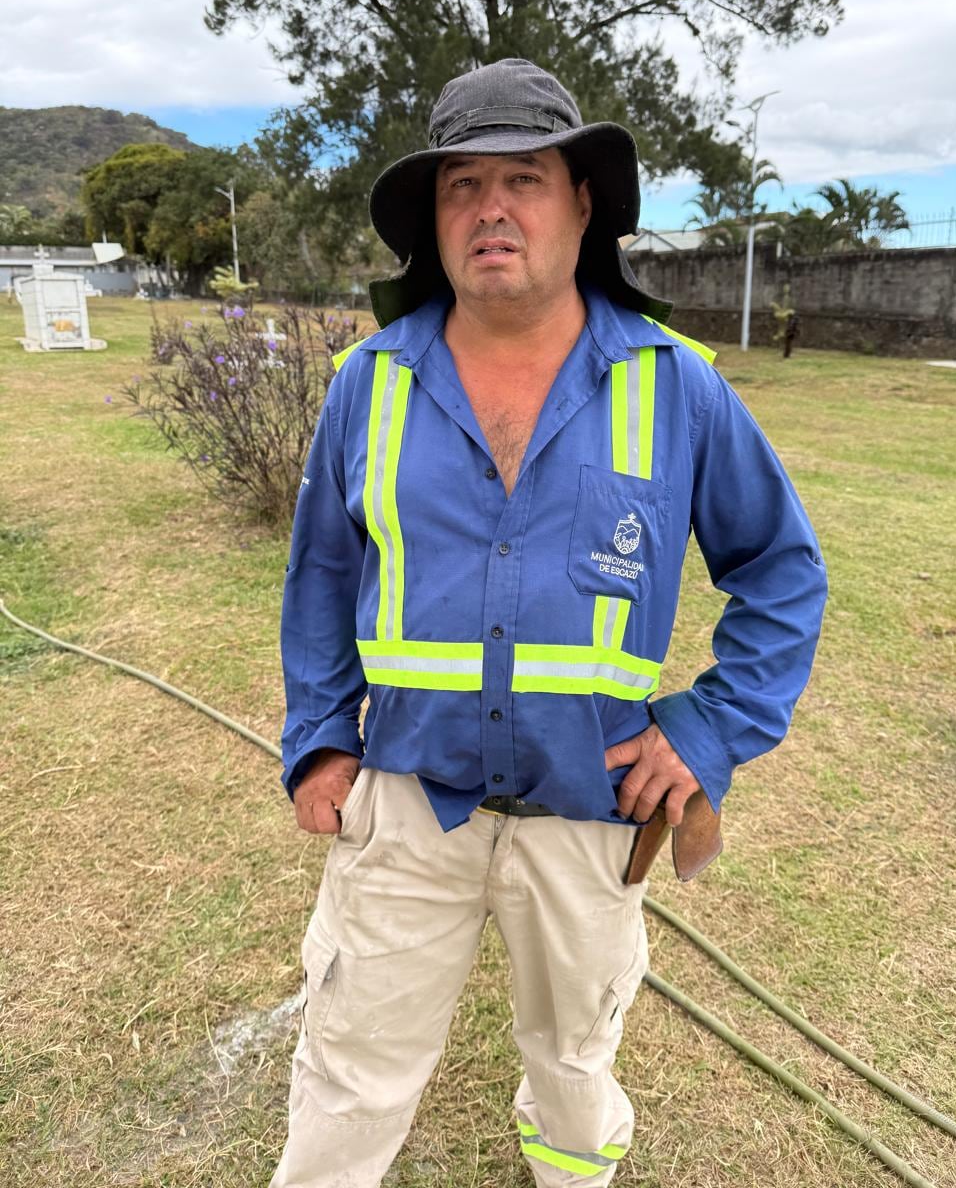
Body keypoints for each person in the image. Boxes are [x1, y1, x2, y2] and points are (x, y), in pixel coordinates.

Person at [271, 58, 827, 1187]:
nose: (490, 208)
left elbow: (781, 567)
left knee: (575, 1059)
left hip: (593, 806)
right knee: (351, 1061)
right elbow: (325, 575)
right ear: (434, 220)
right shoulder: (366, 383)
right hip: (406, 799)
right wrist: (323, 733)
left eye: (523, 177)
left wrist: (710, 729)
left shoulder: (680, 388)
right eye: (461, 183)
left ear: (583, 203)